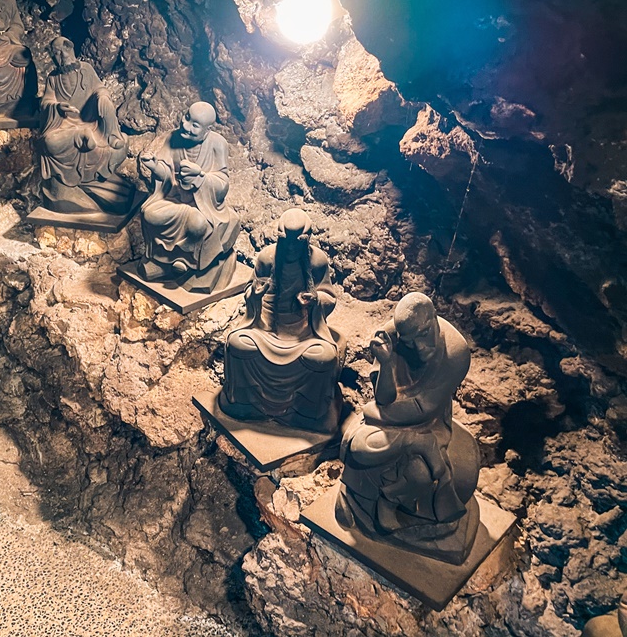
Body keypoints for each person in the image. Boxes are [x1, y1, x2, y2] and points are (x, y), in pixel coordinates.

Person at [336, 292, 480, 563]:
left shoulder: (455, 351)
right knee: (357, 445)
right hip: (390, 423)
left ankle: (389, 500)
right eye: (409, 342)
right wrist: (388, 361)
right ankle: (414, 448)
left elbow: (424, 408)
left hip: (429, 425)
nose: (417, 347)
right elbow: (384, 397)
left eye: (423, 335)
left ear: (433, 320)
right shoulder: (390, 337)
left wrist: (374, 413)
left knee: (421, 472)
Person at [219, 209, 344, 433]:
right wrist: (255, 295)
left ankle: (306, 411)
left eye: (297, 244)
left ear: (306, 242)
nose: (291, 249)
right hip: (266, 329)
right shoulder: (267, 257)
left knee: (324, 358)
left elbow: (329, 296)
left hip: (303, 333)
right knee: (237, 343)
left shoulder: (317, 262)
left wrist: (314, 300)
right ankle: (246, 403)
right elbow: (251, 289)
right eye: (286, 243)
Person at [137, 101, 240, 292]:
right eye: (186, 117)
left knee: (198, 224)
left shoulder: (218, 144)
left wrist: (201, 177)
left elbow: (222, 183)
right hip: (174, 200)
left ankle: (186, 261)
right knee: (149, 213)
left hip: (201, 206)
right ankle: (164, 261)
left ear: (208, 130)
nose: (185, 126)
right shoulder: (173, 138)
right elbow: (167, 174)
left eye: (195, 125)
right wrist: (153, 166)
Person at [37, 36, 134, 215]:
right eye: (55, 54)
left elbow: (99, 88)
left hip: (90, 124)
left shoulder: (86, 70)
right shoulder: (53, 78)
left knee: (117, 139)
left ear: (70, 48)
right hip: (66, 127)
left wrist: (103, 97)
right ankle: (80, 139)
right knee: (49, 142)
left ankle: (106, 140)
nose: (59, 57)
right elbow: (46, 101)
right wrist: (56, 107)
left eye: (61, 51)